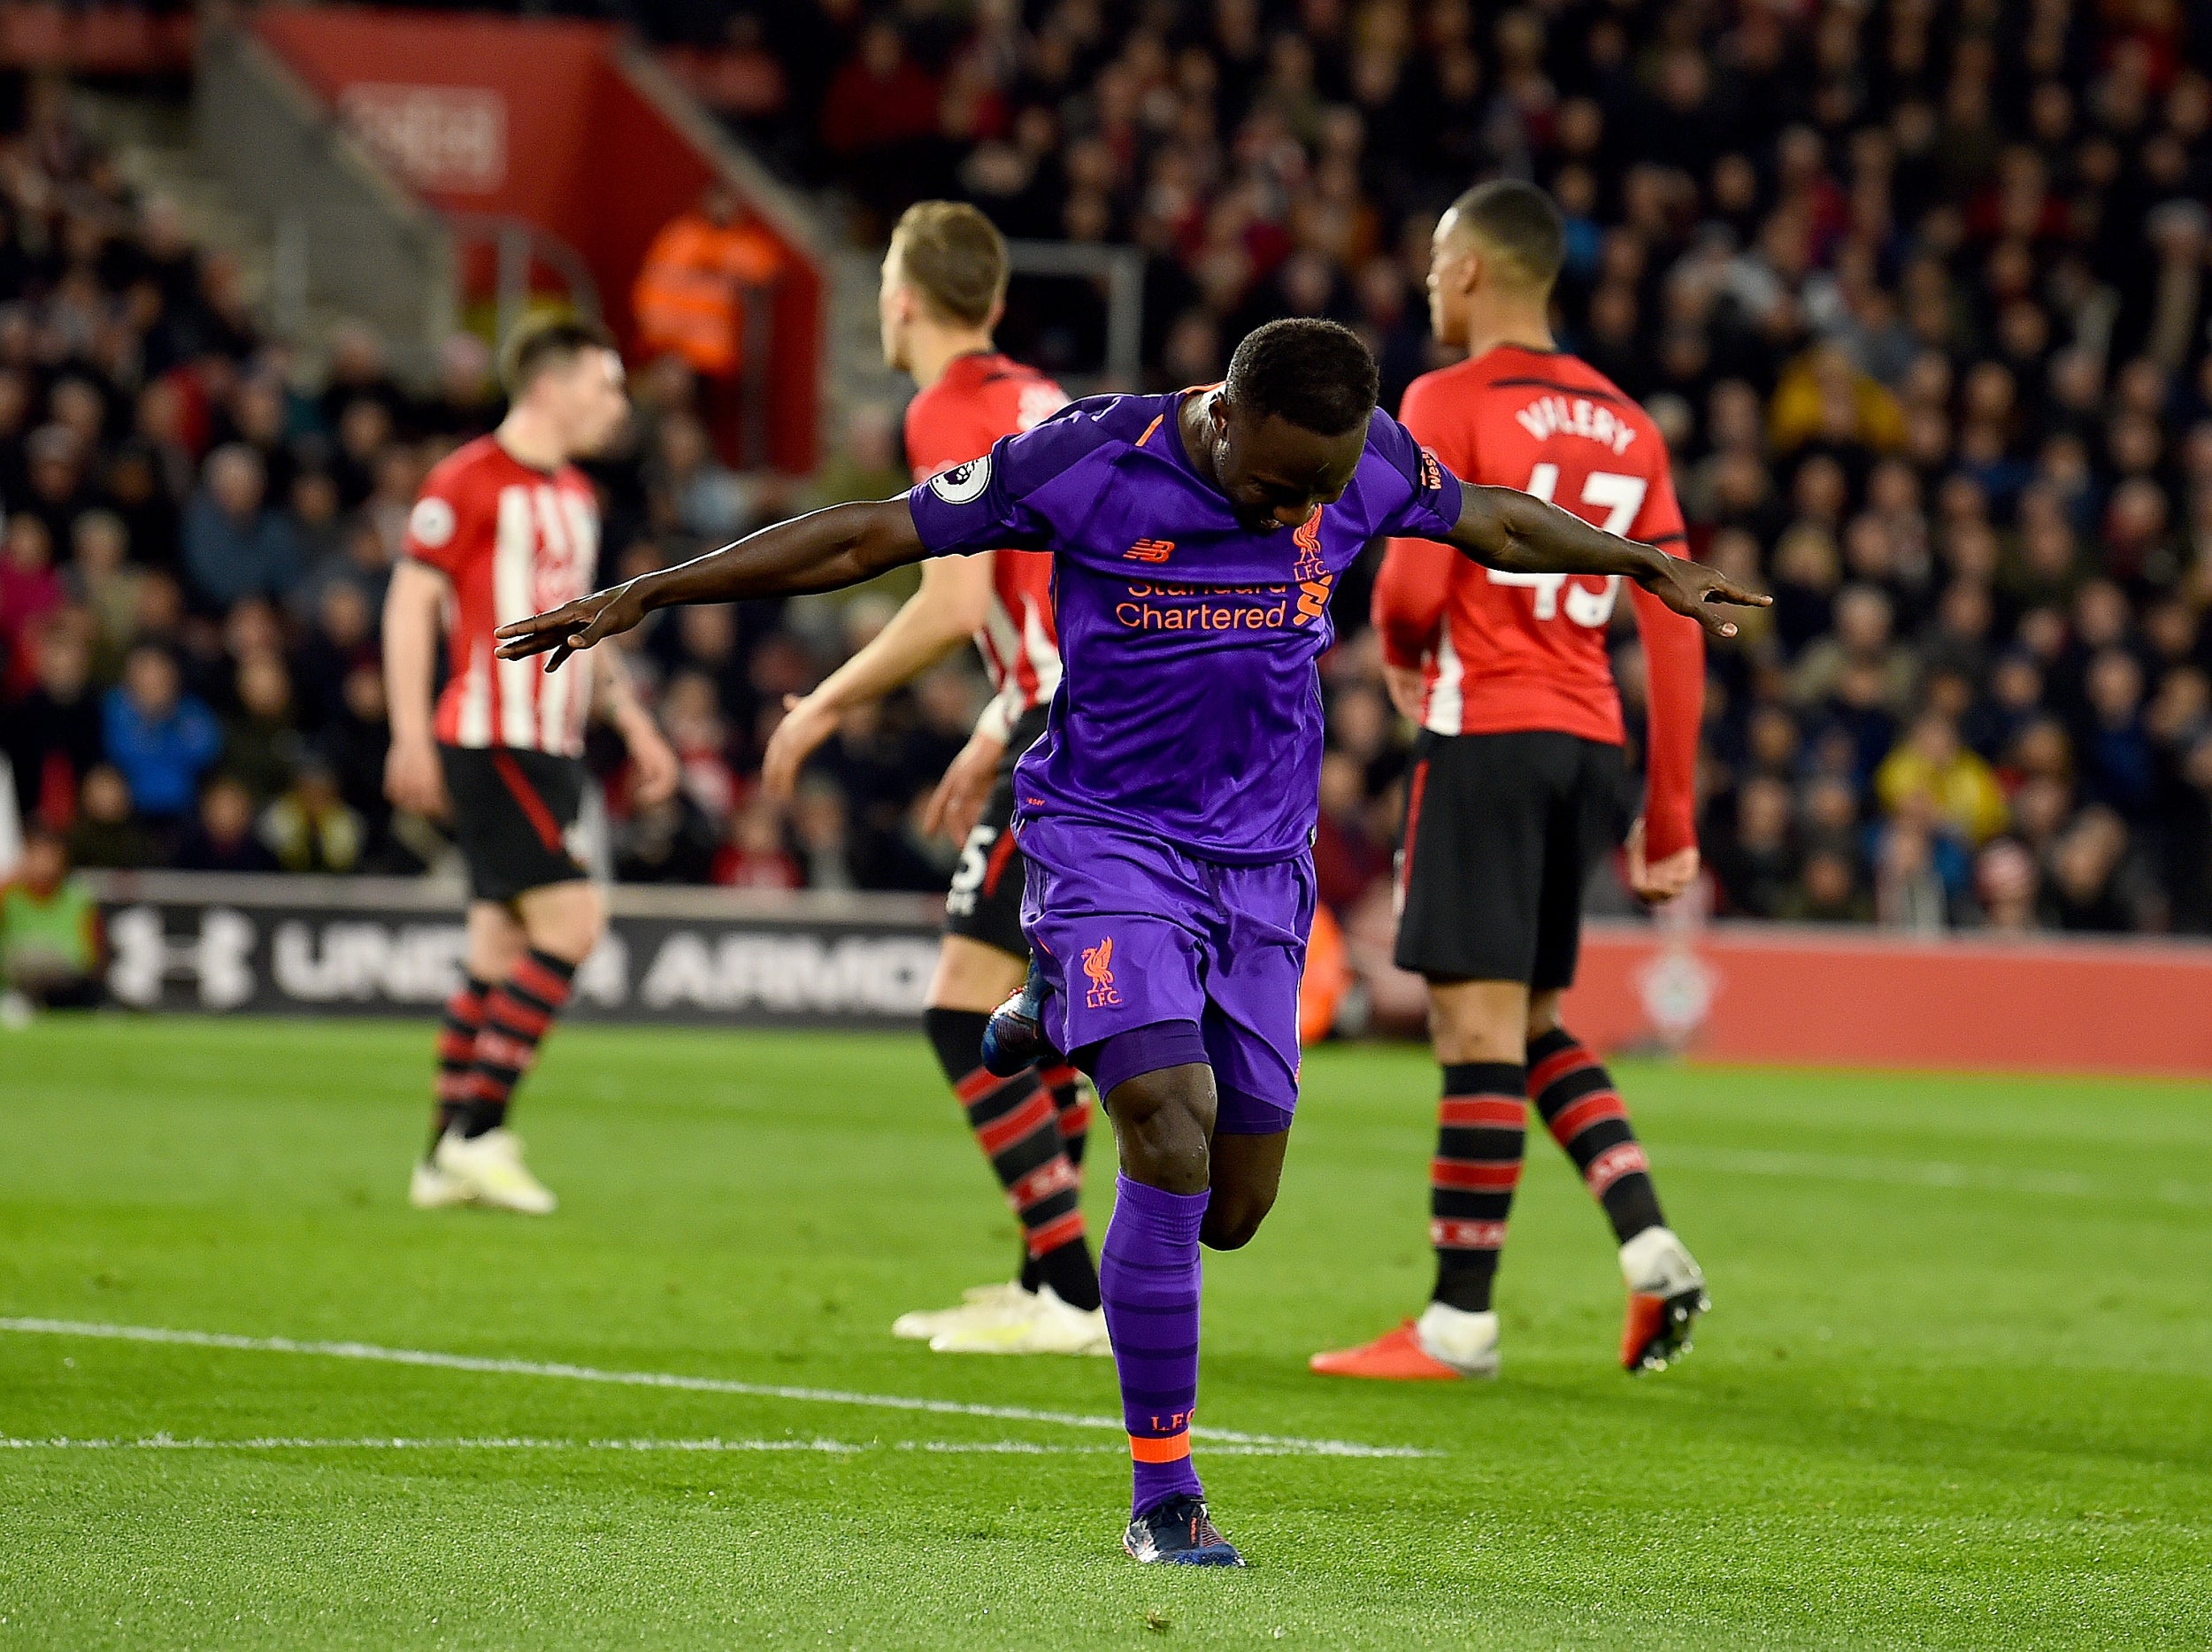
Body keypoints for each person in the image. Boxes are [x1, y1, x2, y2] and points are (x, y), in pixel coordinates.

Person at [494, 317, 1763, 1567]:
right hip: (1106, 839)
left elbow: (1486, 514)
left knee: (1235, 1208)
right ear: (1223, 412)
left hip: (1263, 866)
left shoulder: (1361, 456)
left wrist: (1642, 562)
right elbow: (875, 531)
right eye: (1275, 482)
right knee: (1167, 1112)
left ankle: (1056, 1006)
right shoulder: (1090, 458)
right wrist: (655, 589)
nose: (1292, 513)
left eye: (1317, 495)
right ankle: (1165, 1489)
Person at [1310, 182, 1717, 1385]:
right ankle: (1649, 1243)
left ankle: (1458, 1321)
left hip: (1485, 725)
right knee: (1530, 1023)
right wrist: (1672, 807)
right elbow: (1679, 614)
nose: (1430, 286)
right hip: (1589, 741)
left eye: (1438, 264)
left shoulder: (1444, 397)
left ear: (1475, 271)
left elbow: (1423, 573)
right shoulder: (1630, 421)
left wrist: (1392, 640)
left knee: (1472, 1026)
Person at [758, 201, 1101, 1356]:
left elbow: (949, 597)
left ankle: (1072, 1289)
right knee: (1042, 1006)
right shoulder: (1039, 394)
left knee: (962, 1005)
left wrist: (826, 701)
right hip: (1082, 706)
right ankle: (1041, 1280)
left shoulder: (945, 405)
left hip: (1068, 726)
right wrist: (994, 718)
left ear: (901, 299)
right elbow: (1041, 589)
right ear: (993, 302)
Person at [382, 315, 679, 1216]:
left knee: (498, 947)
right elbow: (409, 603)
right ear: (549, 387)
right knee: (576, 922)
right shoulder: (465, 480)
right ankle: (482, 1131)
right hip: (490, 735)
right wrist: (407, 733)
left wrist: (635, 723)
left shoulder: (578, 498)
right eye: (605, 384)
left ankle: (439, 1158)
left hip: (553, 744)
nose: (616, 403)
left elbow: (583, 630)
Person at [1, 827, 104, 1011]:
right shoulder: (9, 894)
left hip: (66, 983)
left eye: (50, 856)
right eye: (36, 855)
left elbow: (91, 956)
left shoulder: (78, 897)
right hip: (16, 979)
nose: (43, 863)